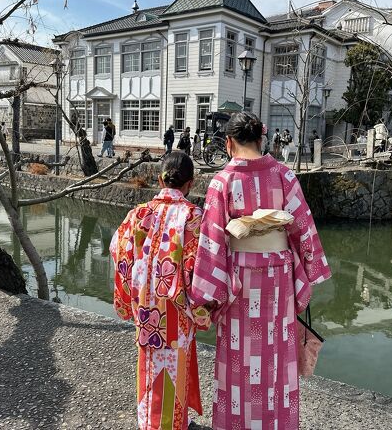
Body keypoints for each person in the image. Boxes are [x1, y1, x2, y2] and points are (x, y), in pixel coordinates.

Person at [190, 112, 331, 430]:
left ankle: (236, 422)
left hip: (239, 278)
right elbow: (303, 228)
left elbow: (212, 240)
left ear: (228, 143)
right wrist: (310, 270)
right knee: (276, 354)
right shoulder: (284, 175)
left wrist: (205, 295)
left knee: (239, 355)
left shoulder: (222, 181)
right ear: (261, 139)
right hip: (278, 277)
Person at [111, 152, 211, 430]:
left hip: (146, 310)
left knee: (150, 364)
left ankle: (149, 422)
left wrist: (127, 298)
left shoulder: (138, 214)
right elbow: (200, 270)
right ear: (191, 183)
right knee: (174, 364)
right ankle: (170, 424)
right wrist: (203, 309)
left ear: (159, 179)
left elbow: (119, 252)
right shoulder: (193, 218)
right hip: (176, 311)